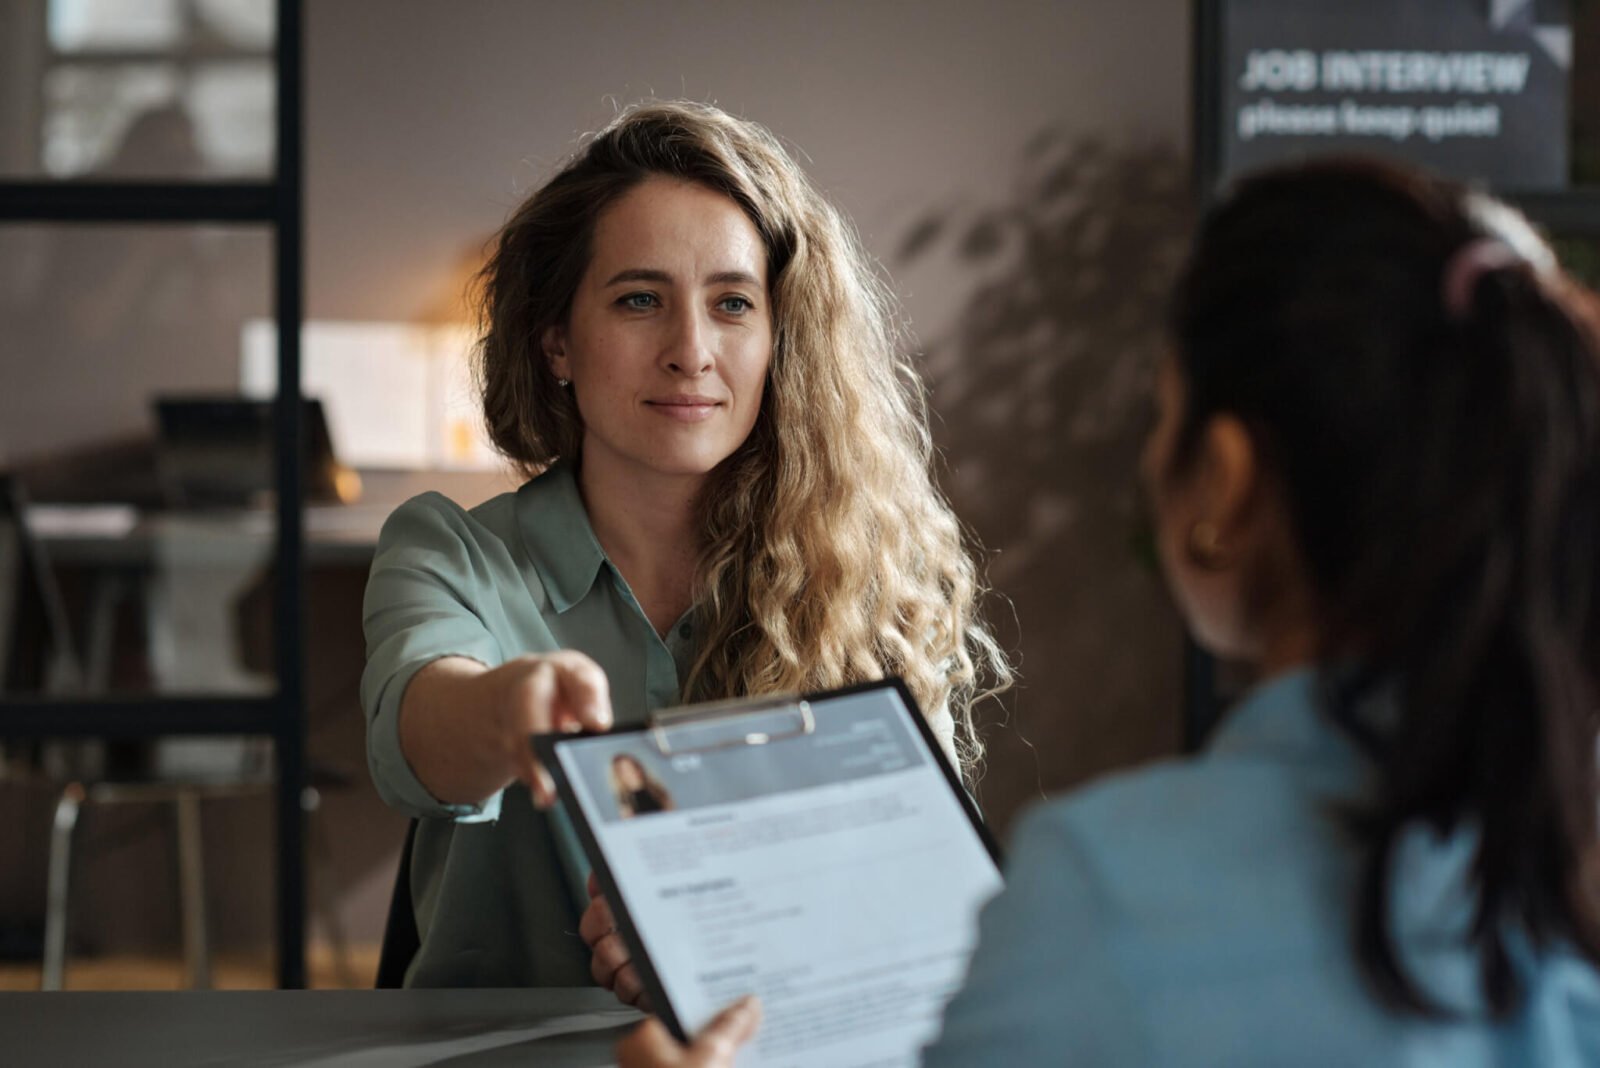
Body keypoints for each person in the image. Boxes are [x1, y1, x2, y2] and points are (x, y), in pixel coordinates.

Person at [616, 157, 1600, 1066]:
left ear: (1222, 483)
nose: (691, 351)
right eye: (639, 302)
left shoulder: (1105, 891)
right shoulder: (1553, 873)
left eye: (1163, 413)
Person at [360, 101, 1010, 990]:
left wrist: (739, 952)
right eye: (639, 301)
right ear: (557, 341)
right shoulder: (450, 551)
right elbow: (420, 734)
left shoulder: (865, 581)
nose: (691, 352)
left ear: (781, 341)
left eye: (733, 304)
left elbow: (923, 913)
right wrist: (507, 712)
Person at [609, 753, 674, 819]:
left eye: (634, 766)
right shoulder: (624, 801)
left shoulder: (657, 791)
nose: (633, 772)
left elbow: (672, 814)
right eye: (627, 770)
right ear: (620, 776)